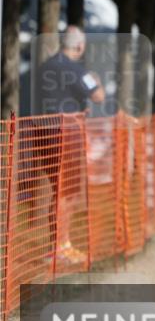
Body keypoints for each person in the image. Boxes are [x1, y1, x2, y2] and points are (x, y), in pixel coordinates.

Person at [34, 25, 106, 265]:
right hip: (67, 133)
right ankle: (60, 247)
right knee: (67, 192)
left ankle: (57, 245)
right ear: (80, 46)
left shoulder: (45, 67)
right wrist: (96, 80)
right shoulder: (76, 69)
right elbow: (98, 96)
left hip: (43, 132)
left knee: (57, 189)